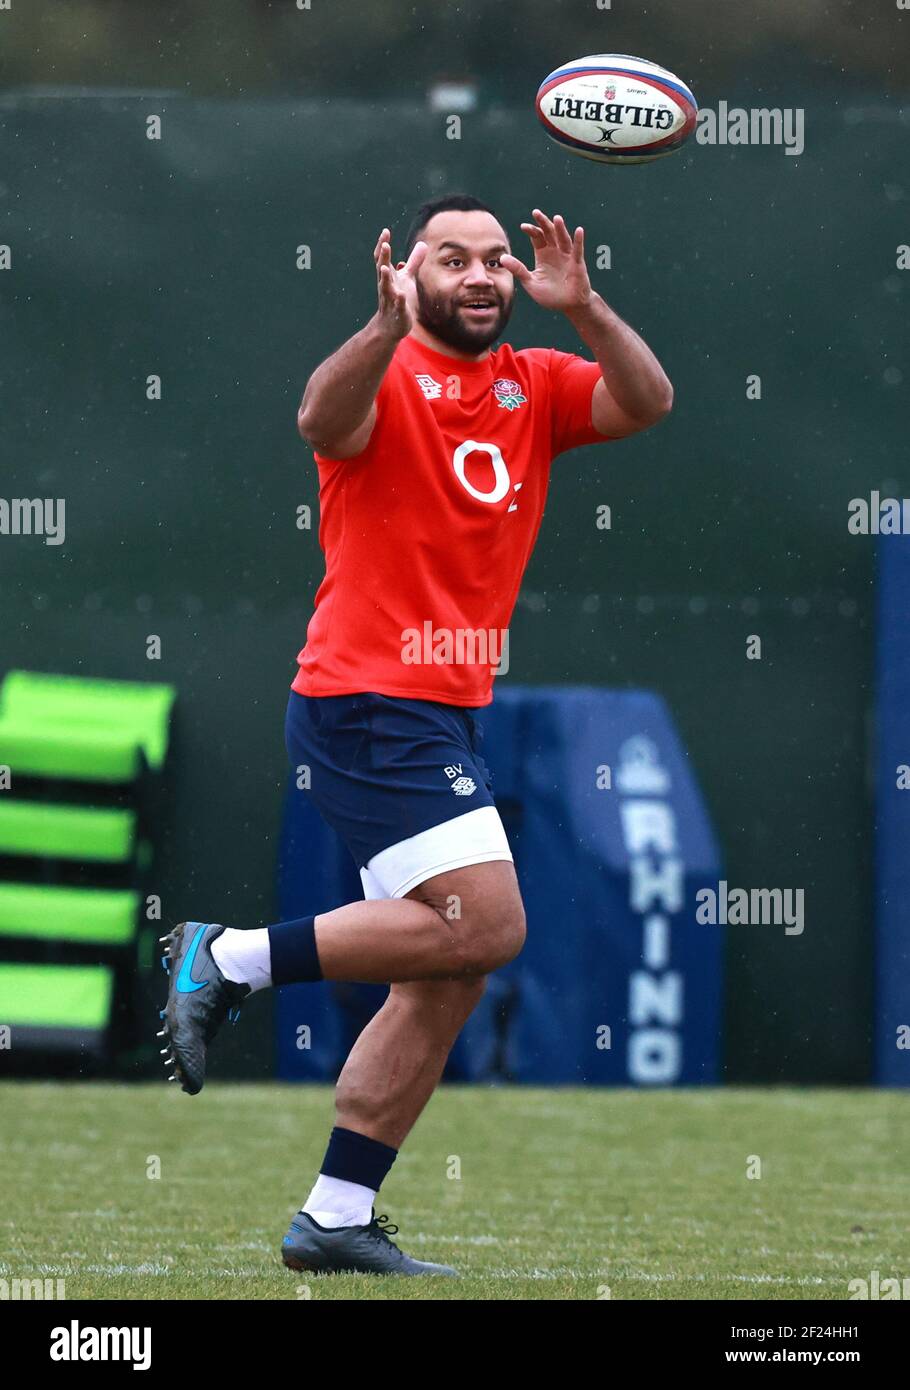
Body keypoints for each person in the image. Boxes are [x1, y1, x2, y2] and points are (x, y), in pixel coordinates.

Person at [158, 193, 673, 1276]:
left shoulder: (533, 382)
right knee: (485, 925)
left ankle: (335, 1215)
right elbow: (316, 418)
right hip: (367, 699)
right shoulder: (380, 375)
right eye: (454, 260)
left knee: (446, 971)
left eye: (496, 261)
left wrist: (582, 308)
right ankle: (230, 956)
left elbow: (646, 402)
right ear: (411, 276)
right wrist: (382, 331)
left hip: (445, 707)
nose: (482, 276)